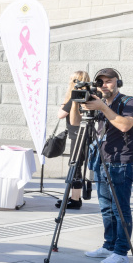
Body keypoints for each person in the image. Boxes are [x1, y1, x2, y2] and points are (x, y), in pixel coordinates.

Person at [72, 68, 133, 263]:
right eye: (100, 82)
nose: (104, 85)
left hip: (122, 162)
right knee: (106, 209)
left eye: (108, 81)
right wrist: (76, 101)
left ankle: (121, 252)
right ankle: (109, 245)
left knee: (120, 209)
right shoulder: (97, 102)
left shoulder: (129, 102)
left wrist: (102, 107)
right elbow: (75, 122)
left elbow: (125, 125)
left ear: (118, 82)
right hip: (101, 161)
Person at [54, 70, 90, 210]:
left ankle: (75, 200)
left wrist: (65, 102)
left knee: (75, 167)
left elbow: (60, 115)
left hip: (77, 136)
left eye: (71, 80)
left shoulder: (75, 98)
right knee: (76, 166)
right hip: (82, 135)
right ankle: (75, 197)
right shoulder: (88, 96)